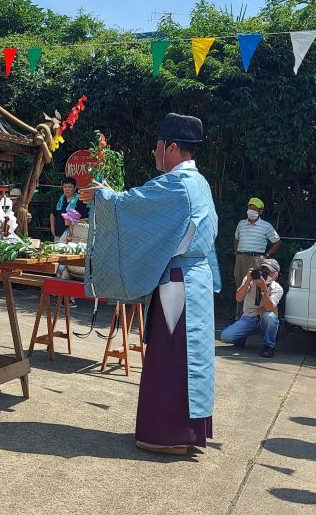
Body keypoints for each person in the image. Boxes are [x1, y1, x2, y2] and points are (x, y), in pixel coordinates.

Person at [80, 112, 221, 455]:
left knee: (172, 357)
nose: (155, 153)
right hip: (195, 280)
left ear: (172, 148)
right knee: (190, 356)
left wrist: (102, 197)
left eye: (158, 147)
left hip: (178, 283)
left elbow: (133, 207)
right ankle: (189, 430)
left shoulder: (177, 184)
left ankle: (169, 434)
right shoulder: (199, 183)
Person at [221, 258, 283, 358]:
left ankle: (269, 346)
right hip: (248, 319)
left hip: (264, 320)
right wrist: (248, 281)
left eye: (268, 272)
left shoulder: (277, 288)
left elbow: (269, 307)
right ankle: (242, 335)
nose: (265, 274)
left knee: (271, 318)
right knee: (225, 337)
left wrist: (263, 288)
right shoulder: (249, 280)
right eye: (263, 270)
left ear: (275, 275)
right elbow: (238, 298)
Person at [233, 198, 281, 317]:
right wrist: (236, 253)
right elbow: (236, 238)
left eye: (255, 209)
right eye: (250, 207)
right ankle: (239, 315)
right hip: (241, 257)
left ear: (261, 211)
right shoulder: (241, 224)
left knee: (255, 286)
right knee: (240, 285)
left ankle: (254, 315)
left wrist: (266, 256)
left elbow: (277, 241)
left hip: (256, 258)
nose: (251, 210)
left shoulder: (266, 226)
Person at [50, 176, 89, 306]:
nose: (67, 189)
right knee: (58, 263)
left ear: (74, 188)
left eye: (70, 187)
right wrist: (52, 229)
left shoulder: (80, 201)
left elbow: (84, 219)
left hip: (72, 238)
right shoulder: (61, 199)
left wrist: (73, 227)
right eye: (65, 187)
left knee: (67, 266)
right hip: (59, 235)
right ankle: (58, 291)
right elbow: (53, 214)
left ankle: (68, 296)